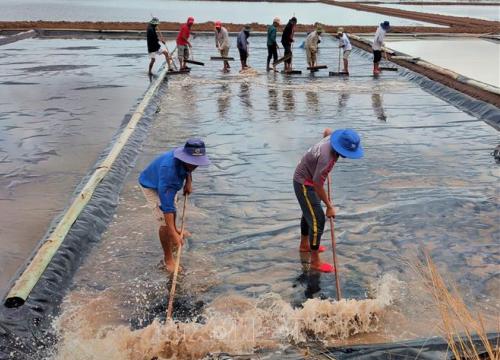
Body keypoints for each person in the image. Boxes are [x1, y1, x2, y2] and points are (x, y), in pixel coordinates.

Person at [293, 128, 364, 272]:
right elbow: (318, 184)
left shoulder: (330, 139)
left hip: (308, 179)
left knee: (309, 213)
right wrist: (329, 206)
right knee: (317, 220)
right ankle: (315, 262)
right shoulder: (327, 158)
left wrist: (326, 136)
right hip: (304, 183)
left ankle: (305, 245)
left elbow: (327, 131)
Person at [138, 139, 210, 272]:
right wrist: (171, 232)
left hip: (167, 184)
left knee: (173, 211)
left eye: (197, 163)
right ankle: (168, 259)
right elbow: (167, 207)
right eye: (193, 163)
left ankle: (174, 230)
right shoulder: (169, 172)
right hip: (152, 185)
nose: (195, 165)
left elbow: (189, 168)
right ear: (184, 158)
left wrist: (188, 182)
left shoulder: (187, 161)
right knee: (165, 224)